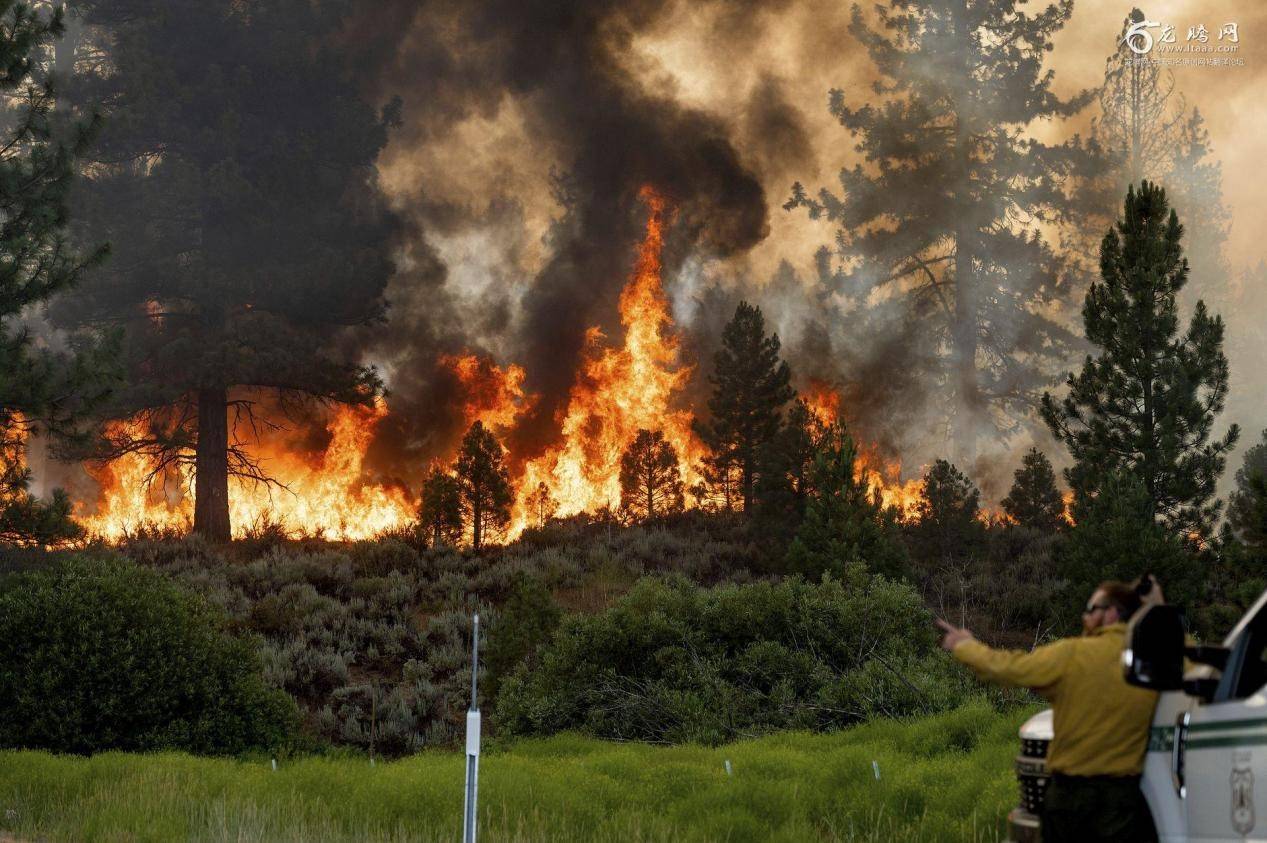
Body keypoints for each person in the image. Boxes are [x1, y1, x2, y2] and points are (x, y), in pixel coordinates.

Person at [937, 580, 1160, 843]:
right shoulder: (1158, 657)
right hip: (1122, 801)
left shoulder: (1072, 654)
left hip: (1069, 799)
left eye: (1091, 608)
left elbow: (1008, 668)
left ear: (1111, 613)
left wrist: (965, 646)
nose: (1084, 615)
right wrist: (1157, 608)